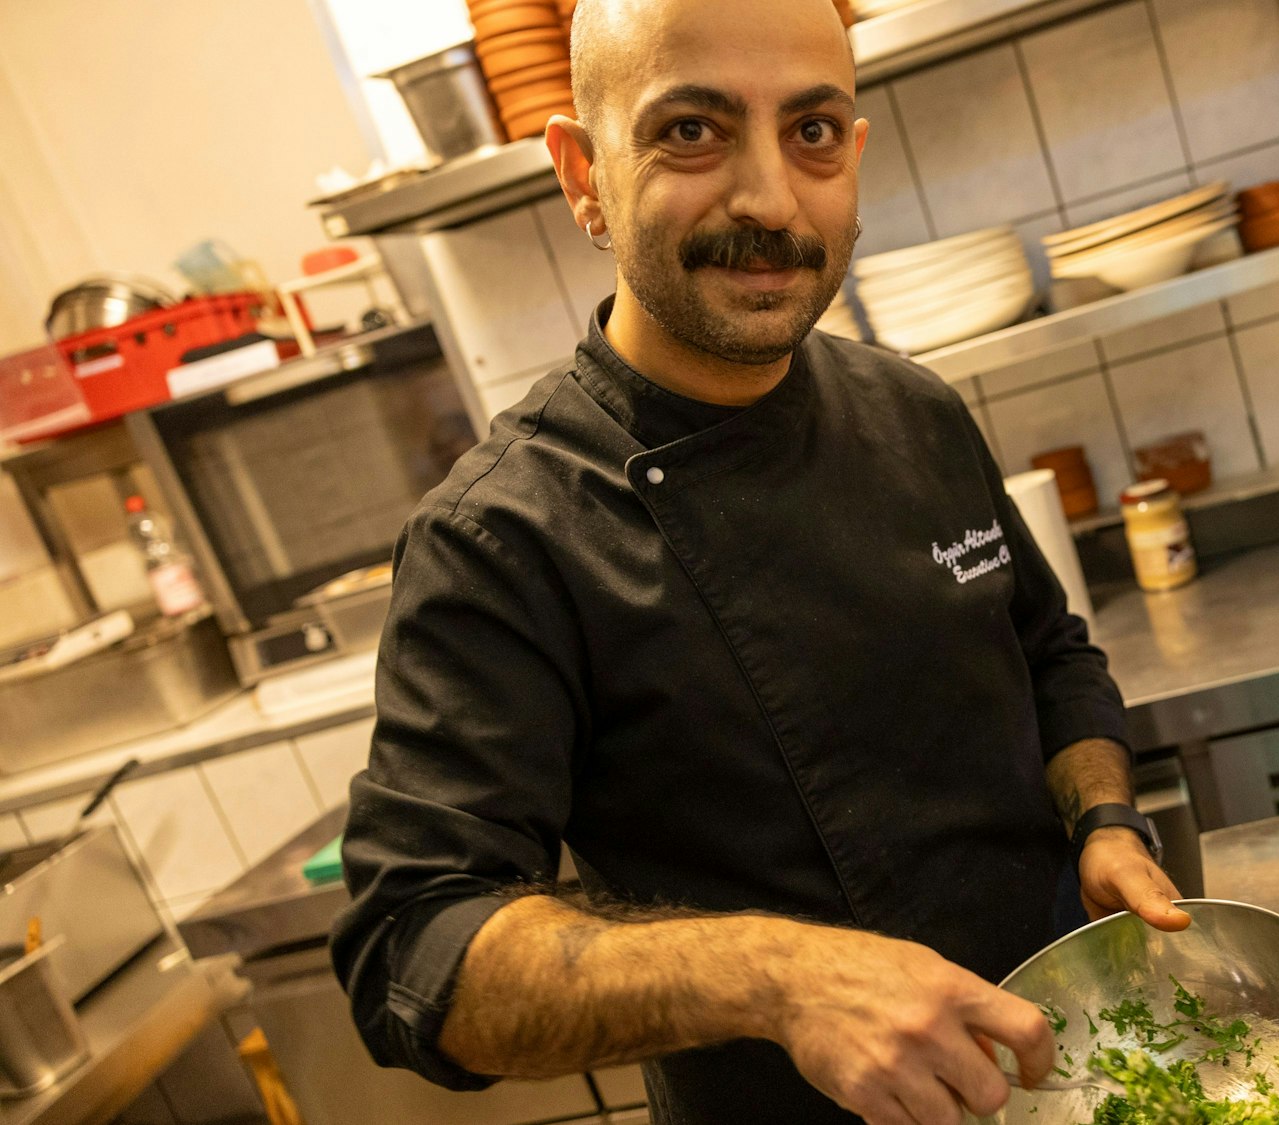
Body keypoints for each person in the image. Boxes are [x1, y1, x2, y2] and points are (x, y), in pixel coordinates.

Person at [328, 2, 1190, 1122]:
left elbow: (1048, 655)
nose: (771, 201)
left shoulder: (913, 408)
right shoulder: (505, 535)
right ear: (583, 173)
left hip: (1076, 1076)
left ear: (854, 154)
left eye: (812, 132)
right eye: (691, 130)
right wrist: (781, 979)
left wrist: (1104, 823)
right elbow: (414, 948)